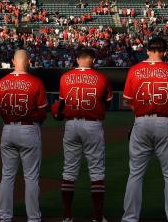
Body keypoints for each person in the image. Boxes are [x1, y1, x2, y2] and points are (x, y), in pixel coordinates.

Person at [121, 37, 168, 222]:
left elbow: (128, 100)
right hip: (165, 121)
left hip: (141, 122)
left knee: (135, 174)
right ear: (164, 52)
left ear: (147, 50)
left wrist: (141, 113)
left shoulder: (135, 70)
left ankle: (129, 218)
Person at [57, 48, 113, 222]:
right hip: (92, 125)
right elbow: (108, 104)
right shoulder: (101, 78)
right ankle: (97, 217)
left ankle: (67, 216)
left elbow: (61, 104)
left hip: (71, 125)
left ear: (77, 59)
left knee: (69, 169)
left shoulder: (65, 77)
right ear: (93, 60)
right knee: (96, 171)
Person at [0, 50, 47, 222]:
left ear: (12, 61)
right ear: (29, 61)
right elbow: (42, 113)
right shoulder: (36, 82)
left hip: (8, 129)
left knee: (7, 176)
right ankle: (33, 218)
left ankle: (4, 216)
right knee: (31, 177)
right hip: (29, 129)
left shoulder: (1, 82)